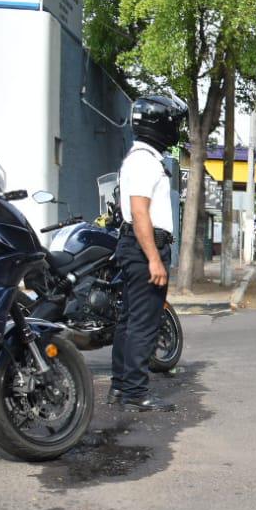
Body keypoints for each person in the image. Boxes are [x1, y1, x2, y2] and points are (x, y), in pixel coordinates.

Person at [110, 93, 187, 411]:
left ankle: (121, 387)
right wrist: (154, 258)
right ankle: (135, 392)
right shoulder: (143, 162)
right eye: (173, 123)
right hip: (145, 248)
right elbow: (139, 212)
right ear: (160, 124)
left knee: (128, 322)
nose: (176, 129)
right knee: (143, 323)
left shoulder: (141, 158)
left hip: (136, 247)